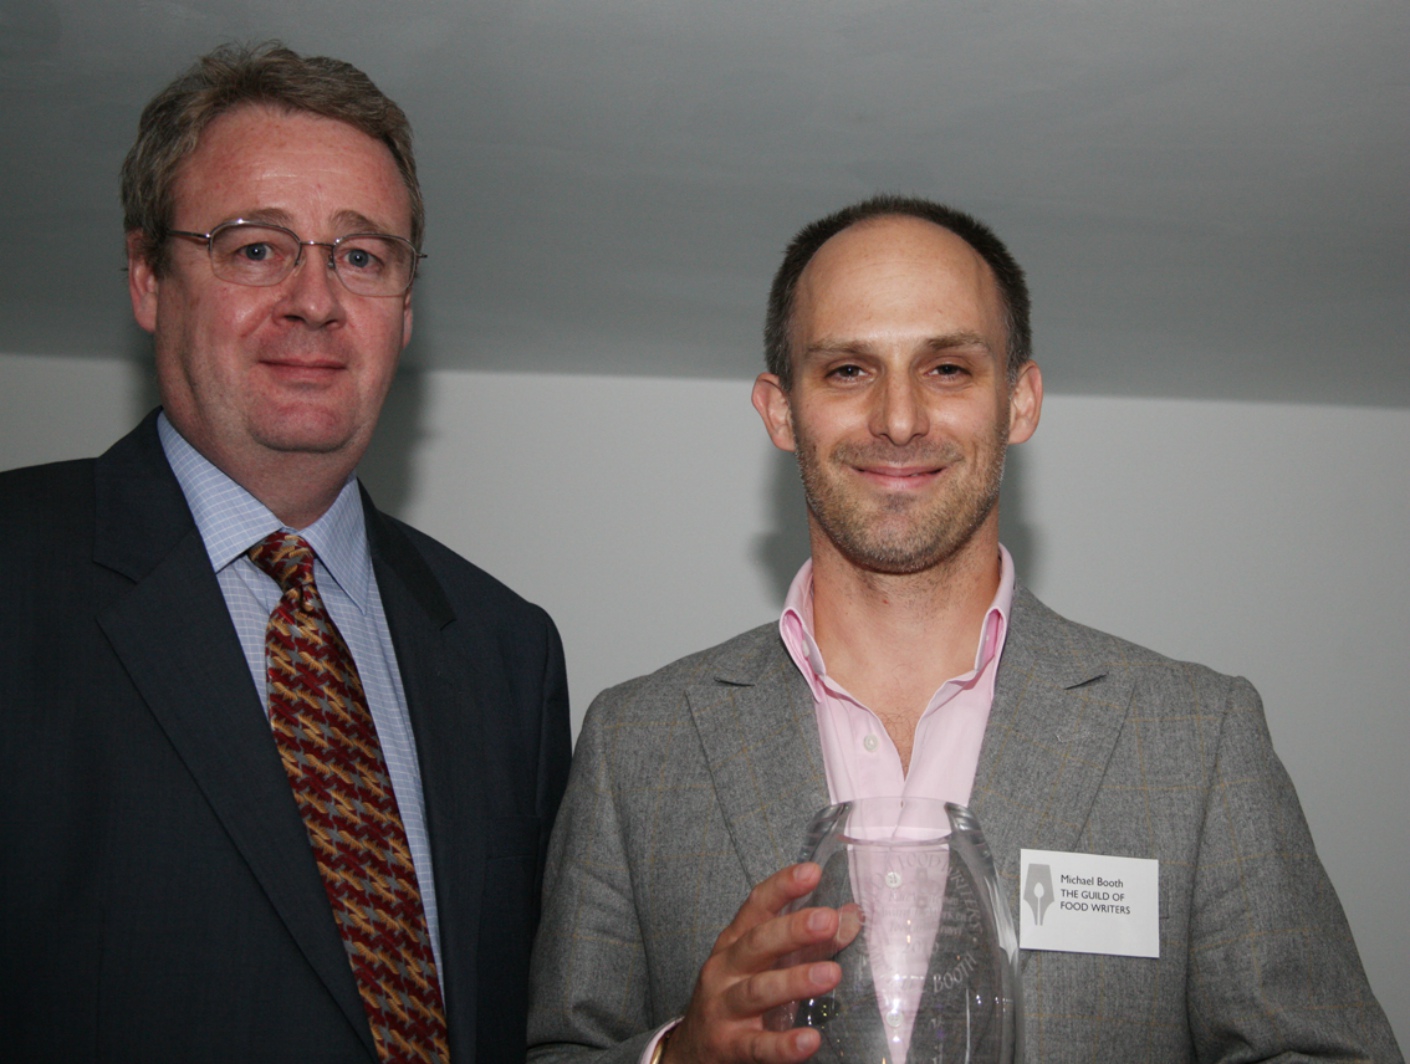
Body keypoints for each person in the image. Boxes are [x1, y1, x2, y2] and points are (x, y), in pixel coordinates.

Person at [525, 196, 1402, 1063]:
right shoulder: (635, 744)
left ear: (1019, 402)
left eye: (947, 369)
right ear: (781, 411)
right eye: (846, 371)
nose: (899, 419)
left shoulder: (1198, 738)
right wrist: (674, 1061)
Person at [0, 42, 571, 1063]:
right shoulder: (15, 571)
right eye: (256, 247)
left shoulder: (504, 649)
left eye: (362, 256)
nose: (315, 299)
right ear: (146, 277)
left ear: (404, 306)